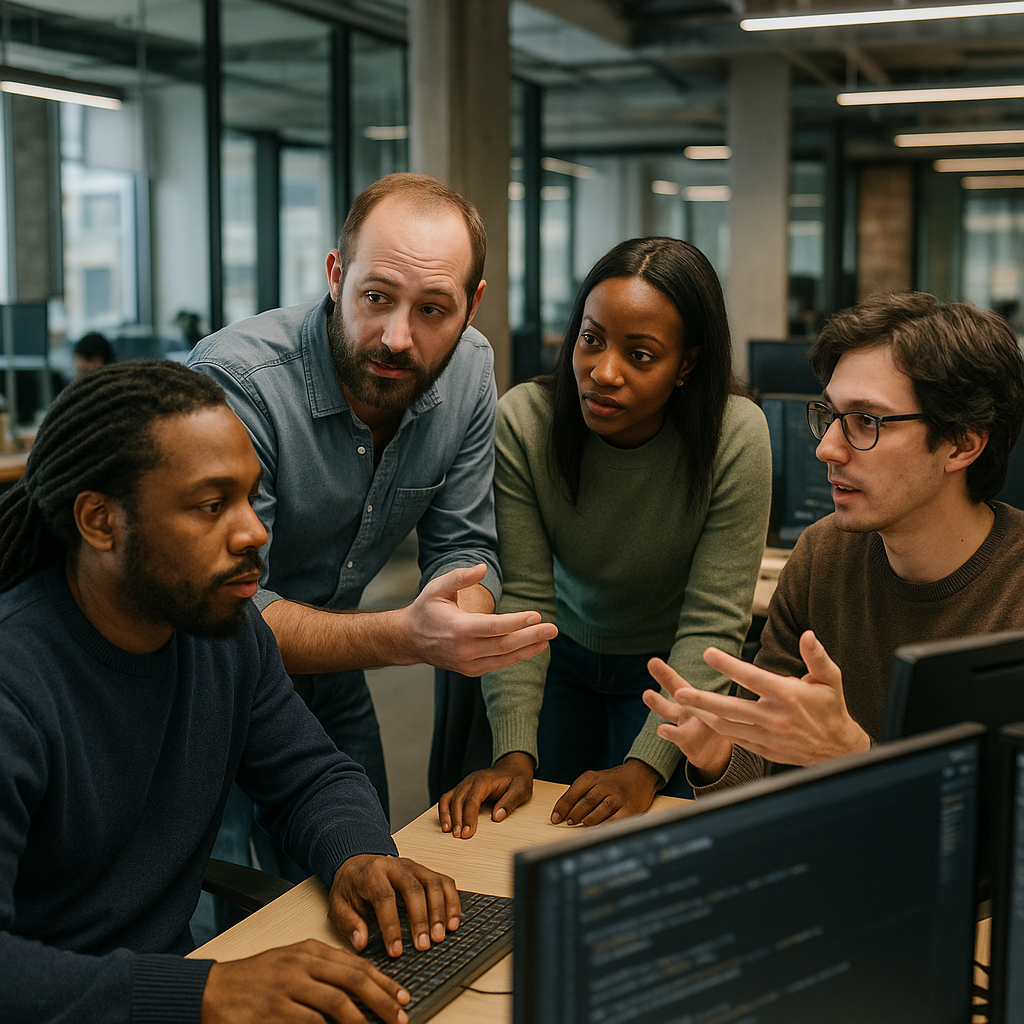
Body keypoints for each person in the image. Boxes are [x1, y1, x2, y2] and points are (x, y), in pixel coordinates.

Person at [0, 361, 462, 1024]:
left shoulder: (226, 631)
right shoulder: (15, 684)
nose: (254, 532)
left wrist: (359, 852)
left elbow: (307, 774)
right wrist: (204, 992)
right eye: (211, 506)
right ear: (100, 522)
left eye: (250, 497)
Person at [188, 172, 555, 824]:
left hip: (332, 674)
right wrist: (410, 637)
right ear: (335, 275)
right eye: (377, 297)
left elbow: (464, 543)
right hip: (209, 682)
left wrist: (457, 618)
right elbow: (226, 609)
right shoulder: (237, 382)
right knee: (229, 907)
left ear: (473, 303)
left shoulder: (469, 368)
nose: (397, 337)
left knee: (366, 861)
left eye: (433, 310)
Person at [439, 237, 772, 838]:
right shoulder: (527, 421)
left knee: (650, 846)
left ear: (687, 365)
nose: (603, 372)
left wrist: (645, 767)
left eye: (641, 355)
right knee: (525, 835)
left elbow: (714, 621)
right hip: (555, 657)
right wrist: (513, 751)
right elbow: (524, 599)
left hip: (668, 674)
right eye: (591, 339)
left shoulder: (734, 435)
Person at [644, 292, 1024, 793]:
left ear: (962, 444)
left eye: (867, 421)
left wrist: (852, 756)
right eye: (830, 415)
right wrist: (721, 755)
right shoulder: (823, 555)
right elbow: (767, 769)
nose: (826, 448)